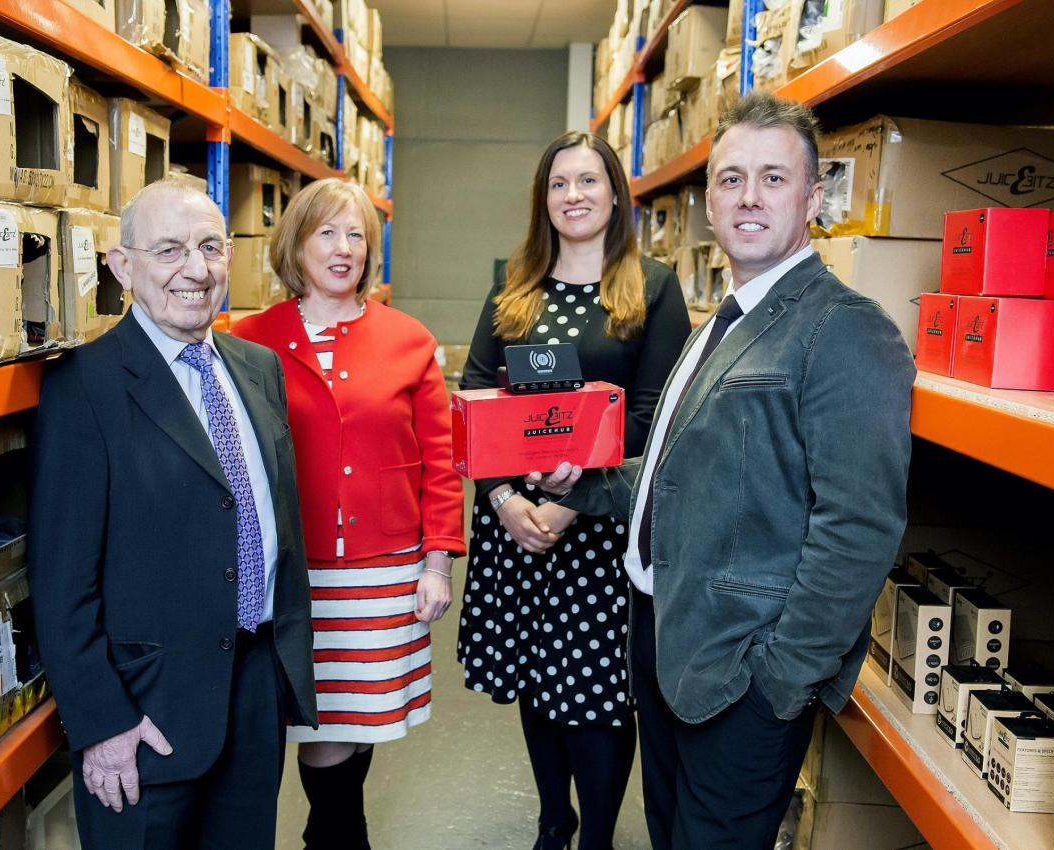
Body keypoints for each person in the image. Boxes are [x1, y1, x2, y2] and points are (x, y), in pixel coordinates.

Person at [537, 92, 916, 850]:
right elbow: (680, 472)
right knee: (672, 830)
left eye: (774, 179)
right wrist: (578, 483)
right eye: (731, 179)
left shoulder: (842, 328)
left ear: (814, 198)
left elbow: (860, 524)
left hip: (744, 671)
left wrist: (781, 681)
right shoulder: (727, 318)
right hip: (668, 641)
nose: (749, 198)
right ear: (708, 202)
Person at [28, 179, 318, 850]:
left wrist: (278, 677)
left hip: (252, 686)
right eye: (169, 250)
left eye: (211, 247)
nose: (197, 269)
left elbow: (273, 521)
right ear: (123, 266)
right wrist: (102, 724)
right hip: (144, 712)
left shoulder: (257, 368)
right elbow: (63, 579)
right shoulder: (85, 386)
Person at [457, 131, 691, 850]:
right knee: (537, 677)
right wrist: (504, 500)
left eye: (589, 182)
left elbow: (656, 418)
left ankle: (594, 837)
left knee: (594, 694)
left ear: (616, 194)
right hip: (517, 527)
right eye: (560, 184)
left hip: (599, 534)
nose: (574, 196)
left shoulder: (651, 287)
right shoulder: (514, 287)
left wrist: (568, 503)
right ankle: (552, 819)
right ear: (544, 199)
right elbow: (473, 395)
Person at [233, 178, 464, 850]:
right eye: (326, 233)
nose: (343, 249)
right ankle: (338, 834)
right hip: (292, 573)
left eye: (357, 234)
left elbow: (439, 460)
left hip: (383, 569)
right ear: (296, 244)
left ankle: (333, 829)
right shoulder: (249, 341)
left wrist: (438, 563)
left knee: (355, 716)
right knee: (316, 721)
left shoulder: (408, 341)